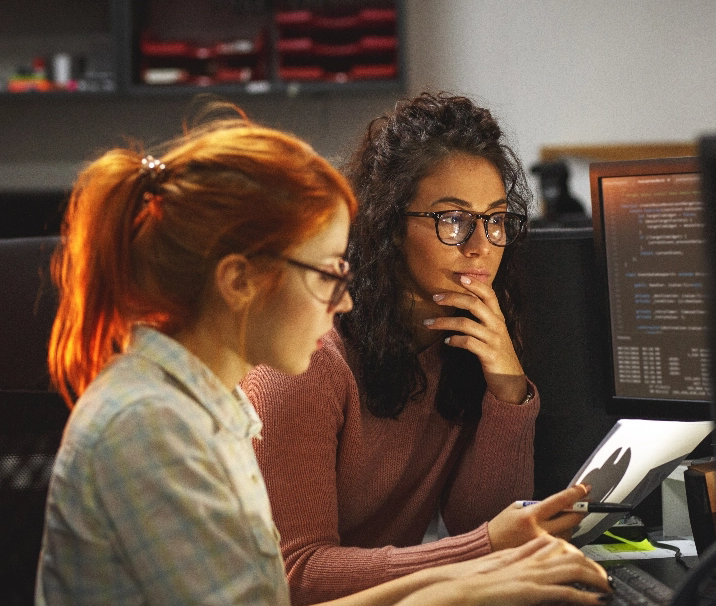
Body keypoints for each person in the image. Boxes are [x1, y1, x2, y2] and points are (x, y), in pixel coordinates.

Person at [35, 103, 609, 605]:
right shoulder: (150, 428)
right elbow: (294, 580)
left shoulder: (209, 412)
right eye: (326, 273)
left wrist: (471, 576)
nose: (342, 300)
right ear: (239, 281)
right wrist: (458, 581)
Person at [243, 92, 584, 604]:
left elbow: (478, 522)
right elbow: (295, 575)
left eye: (494, 218)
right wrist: (485, 548)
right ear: (388, 227)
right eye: (452, 220)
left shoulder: (466, 337)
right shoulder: (307, 358)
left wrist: (507, 389)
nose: (481, 245)